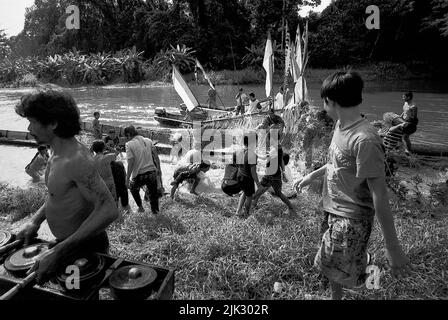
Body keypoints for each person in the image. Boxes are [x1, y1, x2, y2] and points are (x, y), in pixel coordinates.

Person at [294, 71, 410, 300]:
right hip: (332, 209)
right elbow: (335, 164)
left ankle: (370, 271)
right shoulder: (340, 125)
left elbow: (380, 194)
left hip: (351, 218)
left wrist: (392, 246)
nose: (322, 106)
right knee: (333, 268)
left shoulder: (364, 139)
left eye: (323, 101)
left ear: (331, 101)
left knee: (330, 265)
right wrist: (312, 176)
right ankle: (342, 288)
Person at [15, 91, 119, 284]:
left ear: (53, 123)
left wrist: (58, 251)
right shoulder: (56, 152)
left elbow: (108, 210)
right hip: (67, 244)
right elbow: (56, 194)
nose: (29, 128)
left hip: (84, 246)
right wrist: (35, 221)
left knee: (78, 293)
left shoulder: (76, 160)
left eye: (32, 121)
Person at [252, 129, 296, 216]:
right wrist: (283, 174)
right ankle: (291, 208)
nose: (266, 140)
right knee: (279, 193)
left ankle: (250, 203)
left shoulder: (274, 150)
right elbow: (281, 162)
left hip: (269, 175)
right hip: (277, 175)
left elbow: (265, 159)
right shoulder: (279, 148)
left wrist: (256, 155)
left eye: (267, 138)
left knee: (259, 190)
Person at [124, 125, 161, 214]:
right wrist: (159, 169)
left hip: (140, 174)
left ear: (129, 134)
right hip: (152, 172)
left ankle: (140, 207)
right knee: (153, 195)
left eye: (126, 136)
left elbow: (131, 162)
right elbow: (156, 156)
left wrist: (127, 178)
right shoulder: (148, 140)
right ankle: (155, 213)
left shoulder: (129, 144)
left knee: (133, 188)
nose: (126, 139)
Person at [235, 133, 259, 218]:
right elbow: (253, 172)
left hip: (239, 175)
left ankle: (238, 211)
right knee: (249, 196)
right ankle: (247, 213)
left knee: (244, 193)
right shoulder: (253, 155)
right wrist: (258, 183)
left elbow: (238, 165)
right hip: (247, 178)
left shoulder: (239, 152)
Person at [90, 140, 119, 204]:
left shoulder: (91, 160)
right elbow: (117, 152)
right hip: (110, 185)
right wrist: (107, 146)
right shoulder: (107, 157)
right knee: (113, 204)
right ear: (103, 148)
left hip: (99, 186)